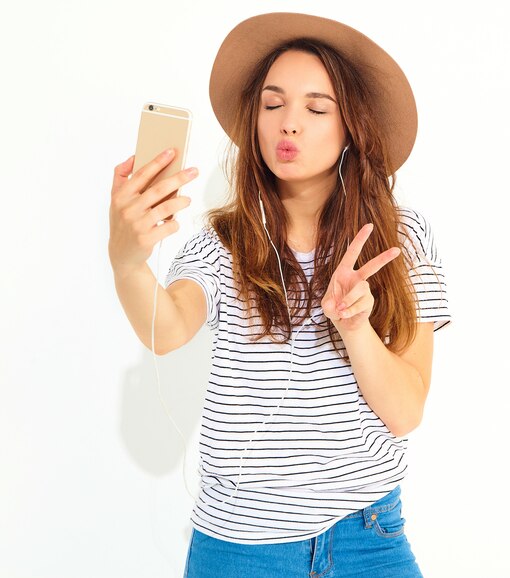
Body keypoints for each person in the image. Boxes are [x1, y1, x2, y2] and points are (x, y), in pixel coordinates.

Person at [109, 11, 452, 578]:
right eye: (273, 105)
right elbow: (167, 329)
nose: (289, 123)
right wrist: (127, 260)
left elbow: (405, 412)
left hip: (368, 536)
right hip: (240, 550)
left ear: (352, 129)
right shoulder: (221, 245)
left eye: (317, 109)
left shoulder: (402, 240)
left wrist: (355, 326)